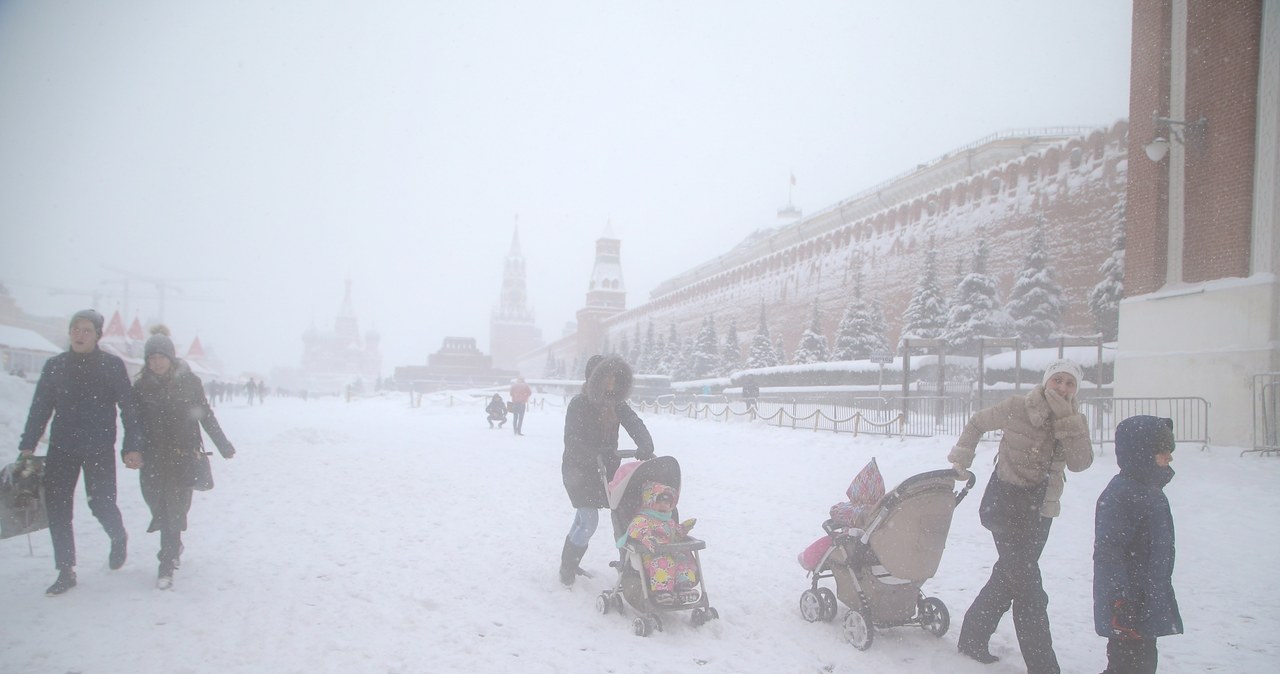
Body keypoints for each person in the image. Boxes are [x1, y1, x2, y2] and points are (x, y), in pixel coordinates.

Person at [947, 358, 1094, 672]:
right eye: (1058, 381)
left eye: (1070, 383)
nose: (1063, 388)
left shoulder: (1074, 419)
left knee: (1008, 578)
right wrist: (962, 457)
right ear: (1046, 382)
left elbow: (1081, 463)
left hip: (1042, 512)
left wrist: (1068, 422)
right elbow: (976, 423)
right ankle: (1043, 666)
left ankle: (973, 636)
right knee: (1029, 589)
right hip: (1008, 508)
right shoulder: (1017, 407)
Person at [18, 309, 138, 596]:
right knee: (58, 509)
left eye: (86, 330)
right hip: (62, 448)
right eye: (75, 328)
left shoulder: (111, 365)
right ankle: (65, 569)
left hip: (98, 449)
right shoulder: (55, 366)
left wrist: (132, 445)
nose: (79, 334)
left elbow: (129, 410)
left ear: (97, 335)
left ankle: (118, 536)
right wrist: (27, 445)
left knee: (100, 503)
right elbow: (40, 408)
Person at [123, 326, 236, 589]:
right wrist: (132, 450)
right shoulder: (140, 387)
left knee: (174, 508)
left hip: (181, 456)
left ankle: (167, 558)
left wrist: (222, 444)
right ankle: (173, 543)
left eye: (161, 357)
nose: (157, 363)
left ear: (170, 359)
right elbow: (134, 423)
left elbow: (204, 414)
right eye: (152, 359)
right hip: (152, 459)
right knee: (156, 503)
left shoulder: (189, 383)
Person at [1094, 416, 1182, 673]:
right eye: (1162, 452)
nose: (1169, 458)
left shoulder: (1149, 489)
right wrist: (1120, 602)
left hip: (1144, 598)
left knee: (1141, 662)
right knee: (1129, 665)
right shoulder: (1122, 494)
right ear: (1141, 454)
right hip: (1129, 605)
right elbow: (1108, 554)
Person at [559, 354, 654, 586]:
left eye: (614, 377)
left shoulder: (616, 404)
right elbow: (571, 440)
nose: (611, 382)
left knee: (583, 518)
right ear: (595, 378)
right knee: (589, 520)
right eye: (606, 377)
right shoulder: (579, 404)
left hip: (605, 470)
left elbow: (634, 423)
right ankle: (567, 569)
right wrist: (593, 454)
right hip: (579, 470)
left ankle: (569, 560)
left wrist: (645, 443)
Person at [618, 480, 699, 605]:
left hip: (670, 552)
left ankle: (684, 587)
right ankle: (662, 592)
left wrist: (682, 529)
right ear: (650, 502)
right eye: (660, 502)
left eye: (667, 503)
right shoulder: (643, 518)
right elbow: (636, 529)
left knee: (682, 558)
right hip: (650, 555)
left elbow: (674, 535)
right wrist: (647, 538)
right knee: (664, 562)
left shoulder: (669, 521)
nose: (664, 505)